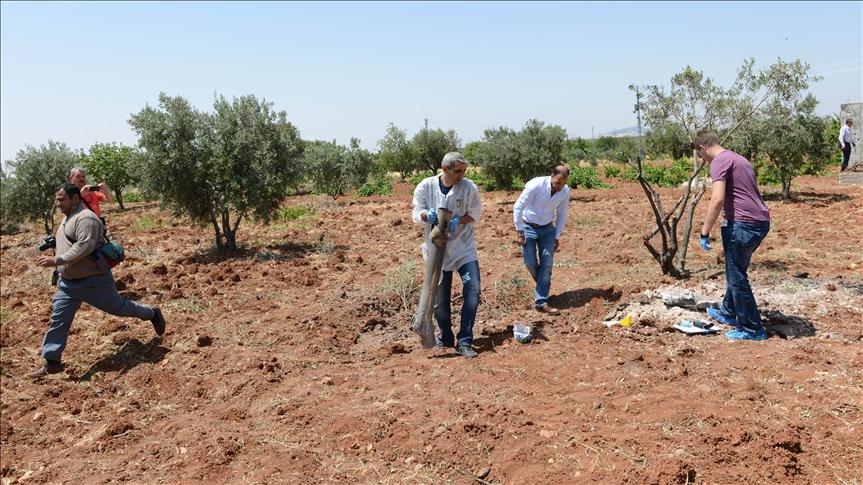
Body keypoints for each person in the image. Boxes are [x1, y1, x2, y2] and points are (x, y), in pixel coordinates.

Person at [29, 183, 165, 378]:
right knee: (58, 319)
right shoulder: (67, 218)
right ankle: (52, 362)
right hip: (68, 284)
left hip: (94, 280)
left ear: (75, 199)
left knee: (118, 308)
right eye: (57, 200)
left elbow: (84, 246)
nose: (58, 204)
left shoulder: (86, 218)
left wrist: (57, 260)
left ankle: (152, 313)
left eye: (62, 200)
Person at [694, 130, 771, 341]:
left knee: (737, 276)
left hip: (742, 224)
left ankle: (753, 329)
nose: (702, 159)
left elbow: (717, 199)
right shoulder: (738, 158)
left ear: (702, 148)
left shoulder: (718, 162)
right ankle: (729, 312)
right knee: (735, 269)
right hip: (759, 222)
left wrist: (704, 231)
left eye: (700, 155)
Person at [412, 152, 482, 358]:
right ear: (445, 168)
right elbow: (416, 213)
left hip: (463, 248)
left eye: (464, 171)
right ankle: (446, 336)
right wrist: (426, 215)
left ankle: (465, 341)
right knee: (440, 302)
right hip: (436, 250)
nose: (462, 175)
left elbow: (475, 214)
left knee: (473, 289)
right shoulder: (425, 186)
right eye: (458, 171)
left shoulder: (469, 188)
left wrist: (459, 220)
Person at [513, 166, 571, 315]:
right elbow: (518, 207)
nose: (560, 187)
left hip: (547, 230)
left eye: (563, 184)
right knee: (530, 263)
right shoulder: (535, 185)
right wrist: (519, 231)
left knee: (547, 264)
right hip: (528, 227)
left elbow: (562, 214)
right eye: (557, 183)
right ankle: (543, 286)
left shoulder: (565, 192)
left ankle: (541, 301)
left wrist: (557, 236)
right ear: (551, 176)